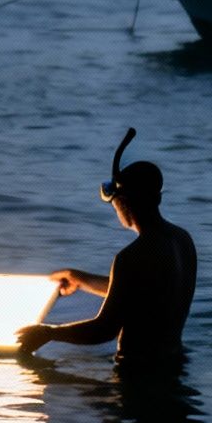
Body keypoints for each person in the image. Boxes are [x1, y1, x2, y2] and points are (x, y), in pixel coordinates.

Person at [17, 129, 197, 365]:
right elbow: (142, 292)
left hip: (137, 373)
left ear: (122, 202)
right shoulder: (182, 241)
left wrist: (48, 332)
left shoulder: (131, 257)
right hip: (174, 363)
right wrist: (80, 279)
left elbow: (104, 329)